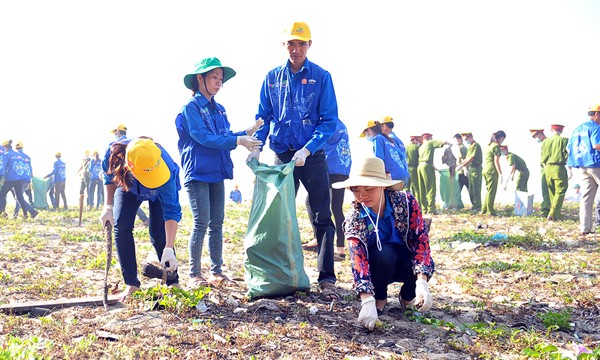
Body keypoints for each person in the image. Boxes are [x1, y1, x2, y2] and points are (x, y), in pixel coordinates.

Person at [247, 21, 340, 300]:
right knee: (278, 214)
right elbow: (264, 116)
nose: (296, 49)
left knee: (322, 215)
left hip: (311, 156)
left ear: (309, 45)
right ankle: (279, 274)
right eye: (291, 44)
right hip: (282, 154)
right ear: (284, 45)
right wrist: (255, 146)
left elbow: (329, 121)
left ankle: (327, 279)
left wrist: (309, 149)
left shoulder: (321, 77)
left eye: (301, 44)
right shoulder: (272, 77)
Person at [177, 56, 262, 289]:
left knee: (218, 222)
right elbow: (203, 137)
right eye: (214, 77)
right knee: (201, 221)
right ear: (200, 79)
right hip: (197, 170)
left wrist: (247, 131)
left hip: (216, 170)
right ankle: (194, 273)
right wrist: (239, 140)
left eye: (221, 79)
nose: (218, 82)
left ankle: (216, 271)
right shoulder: (191, 107)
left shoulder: (220, 109)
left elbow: (223, 135)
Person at [331, 157, 434, 330]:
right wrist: (366, 299)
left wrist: (422, 281)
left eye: (369, 188)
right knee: (383, 253)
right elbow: (358, 259)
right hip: (379, 265)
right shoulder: (355, 217)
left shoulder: (406, 202)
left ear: (383, 185)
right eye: (356, 190)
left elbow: (420, 241)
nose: (362, 195)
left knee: (423, 260)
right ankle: (379, 298)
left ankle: (408, 297)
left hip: (405, 260)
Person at [100, 137, 182, 300]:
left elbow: (171, 211)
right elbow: (109, 178)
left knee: (159, 234)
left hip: (159, 190)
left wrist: (169, 248)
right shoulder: (113, 155)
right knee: (121, 225)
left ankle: (172, 281)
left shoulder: (167, 169)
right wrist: (108, 206)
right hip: (128, 187)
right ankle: (131, 283)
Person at [303, 119, 352, 259]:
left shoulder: (328, 122)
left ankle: (318, 239)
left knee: (311, 200)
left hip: (330, 165)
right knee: (337, 207)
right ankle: (341, 248)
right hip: (343, 166)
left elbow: (320, 141)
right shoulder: (341, 123)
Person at [567, 105, 600, 235]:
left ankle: (585, 228)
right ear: (597, 114)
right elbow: (596, 145)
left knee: (586, 197)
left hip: (582, 165)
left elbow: (569, 149)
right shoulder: (596, 128)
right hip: (596, 164)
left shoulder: (577, 130)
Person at [0, 140, 38, 219]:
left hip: (10, 178)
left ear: (5, 147)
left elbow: (4, 166)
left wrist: (3, 175)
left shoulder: (7, 155)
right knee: (20, 197)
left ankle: (2, 212)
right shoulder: (19, 155)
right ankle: (25, 214)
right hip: (20, 178)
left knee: (2, 194)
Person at [416, 133, 449, 214]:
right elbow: (442, 142)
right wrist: (449, 143)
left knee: (422, 188)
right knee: (431, 188)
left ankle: (424, 209)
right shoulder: (430, 143)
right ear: (429, 138)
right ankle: (431, 209)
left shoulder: (421, 147)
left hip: (420, 166)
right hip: (427, 167)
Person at [542, 124, 569, 221]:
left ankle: (553, 212)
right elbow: (567, 155)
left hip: (547, 168)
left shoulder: (545, 141)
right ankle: (553, 214)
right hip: (558, 167)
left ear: (551, 129)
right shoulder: (564, 140)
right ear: (561, 131)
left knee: (551, 191)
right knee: (560, 190)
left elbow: (543, 157)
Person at [456, 132, 482, 212]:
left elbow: (471, 158)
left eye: (466, 139)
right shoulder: (470, 146)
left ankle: (477, 206)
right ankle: (475, 205)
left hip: (476, 169)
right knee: (471, 189)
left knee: (476, 188)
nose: (466, 141)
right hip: (471, 168)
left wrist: (462, 166)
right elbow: (467, 159)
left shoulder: (475, 146)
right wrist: (460, 165)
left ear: (471, 137)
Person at [482, 130, 506, 216]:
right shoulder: (496, 146)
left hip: (485, 170)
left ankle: (484, 210)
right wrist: (500, 173)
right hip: (492, 170)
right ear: (501, 138)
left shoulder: (488, 146)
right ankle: (490, 211)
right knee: (492, 191)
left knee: (488, 191)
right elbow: (496, 161)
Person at [530, 129, 551, 216]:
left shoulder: (548, 142)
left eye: (537, 136)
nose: (536, 138)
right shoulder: (544, 143)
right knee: (545, 190)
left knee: (548, 190)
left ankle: (547, 210)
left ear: (540, 134)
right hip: (544, 168)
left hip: (548, 168)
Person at [13, 141, 35, 218]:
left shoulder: (16, 156)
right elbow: (30, 169)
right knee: (20, 197)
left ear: (16, 148)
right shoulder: (27, 157)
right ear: (22, 148)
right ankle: (28, 212)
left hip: (20, 179)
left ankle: (31, 211)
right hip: (27, 179)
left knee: (18, 197)